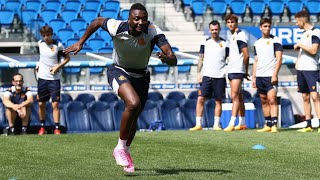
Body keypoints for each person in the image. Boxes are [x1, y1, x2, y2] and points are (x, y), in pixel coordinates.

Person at [63, 3, 177, 173]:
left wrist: (165, 59)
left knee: (134, 115)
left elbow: (172, 58)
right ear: (129, 18)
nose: (140, 22)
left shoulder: (153, 31)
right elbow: (96, 22)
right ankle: (119, 148)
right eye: (136, 18)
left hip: (142, 76)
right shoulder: (117, 26)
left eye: (143, 19)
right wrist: (81, 42)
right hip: (119, 70)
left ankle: (126, 152)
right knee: (133, 103)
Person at [189, 20, 228, 131]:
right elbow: (201, 58)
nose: (214, 31)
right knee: (200, 99)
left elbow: (228, 59)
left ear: (219, 30)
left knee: (218, 101)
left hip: (220, 76)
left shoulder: (225, 43)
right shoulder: (205, 42)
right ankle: (198, 124)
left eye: (216, 29)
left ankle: (216, 125)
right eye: (212, 30)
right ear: (209, 30)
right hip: (207, 76)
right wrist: (198, 73)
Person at [36, 25, 70, 135]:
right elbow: (41, 57)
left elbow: (67, 58)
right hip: (42, 78)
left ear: (51, 34)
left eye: (48, 35)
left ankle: (56, 128)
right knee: (41, 104)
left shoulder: (58, 45)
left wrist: (57, 67)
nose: (46, 37)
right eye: (44, 35)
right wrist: (38, 65)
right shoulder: (40, 44)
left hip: (54, 79)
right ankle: (42, 127)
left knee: (55, 104)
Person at [252, 18, 283, 133]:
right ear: (260, 27)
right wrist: (254, 76)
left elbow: (279, 59)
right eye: (265, 26)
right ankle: (268, 124)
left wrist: (275, 74)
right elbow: (256, 60)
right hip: (260, 76)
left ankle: (274, 125)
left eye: (269, 26)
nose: (267, 28)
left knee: (272, 99)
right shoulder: (257, 42)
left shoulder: (276, 40)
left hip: (270, 75)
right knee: (263, 100)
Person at [293, 10, 320, 133]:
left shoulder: (316, 32)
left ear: (302, 20)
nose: (296, 23)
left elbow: (314, 50)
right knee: (305, 96)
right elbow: (302, 51)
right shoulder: (304, 34)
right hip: (302, 69)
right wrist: (298, 63)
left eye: (297, 21)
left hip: (312, 69)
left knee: (315, 96)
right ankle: (308, 125)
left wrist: (300, 45)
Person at [224, 14, 250, 132]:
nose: (230, 24)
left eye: (232, 22)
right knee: (238, 96)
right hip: (231, 69)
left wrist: (245, 70)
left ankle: (232, 122)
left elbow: (246, 54)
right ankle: (242, 123)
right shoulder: (233, 36)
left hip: (238, 70)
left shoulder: (240, 35)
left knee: (234, 95)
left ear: (236, 22)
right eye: (228, 22)